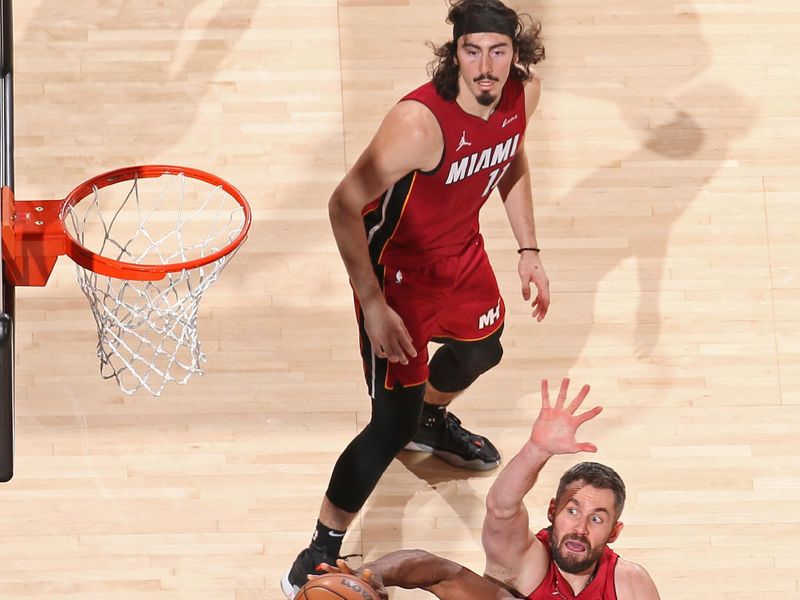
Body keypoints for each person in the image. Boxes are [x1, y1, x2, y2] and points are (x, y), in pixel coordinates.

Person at [282, 1, 549, 596]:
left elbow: (510, 159)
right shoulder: (418, 124)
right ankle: (320, 546)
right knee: (389, 423)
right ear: (454, 53)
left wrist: (528, 248)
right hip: (398, 276)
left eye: (498, 52)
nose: (485, 66)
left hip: (462, 251)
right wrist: (372, 303)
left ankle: (433, 419)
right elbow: (342, 204)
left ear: (516, 55)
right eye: (472, 51)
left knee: (483, 348)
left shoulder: (522, 95)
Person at [314, 379, 661, 600]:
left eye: (597, 519)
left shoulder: (630, 585)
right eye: (572, 511)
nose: (580, 528)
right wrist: (370, 576)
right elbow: (438, 567)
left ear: (615, 532)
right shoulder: (522, 566)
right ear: (553, 512)